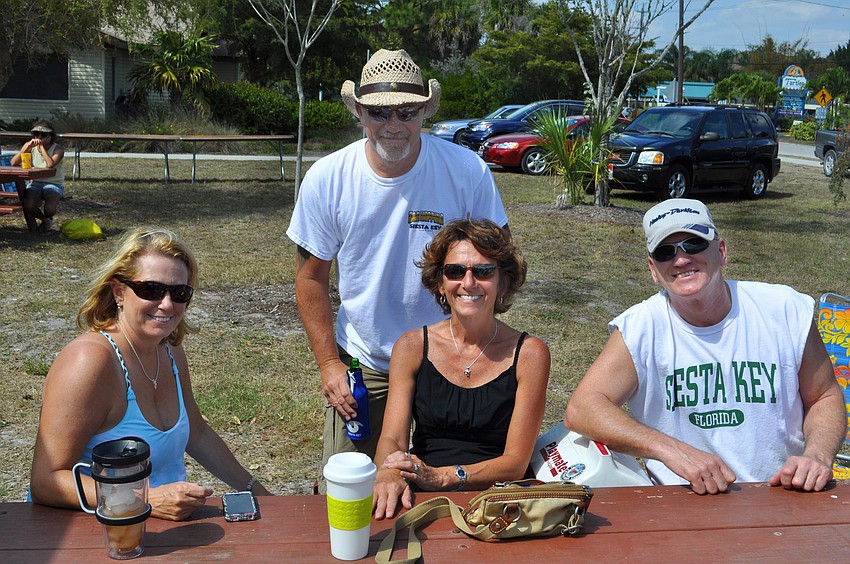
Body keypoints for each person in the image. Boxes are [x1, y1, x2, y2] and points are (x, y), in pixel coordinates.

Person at [286, 49, 508, 492]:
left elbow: (496, 264)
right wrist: (330, 363)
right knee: (352, 490)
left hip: (449, 361)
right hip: (366, 361)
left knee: (453, 491)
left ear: (425, 109)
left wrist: (480, 351)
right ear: (357, 111)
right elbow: (311, 278)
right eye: (378, 112)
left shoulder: (466, 170)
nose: (393, 123)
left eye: (406, 111)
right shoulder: (328, 177)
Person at [564, 199, 846, 495]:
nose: (681, 259)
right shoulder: (641, 328)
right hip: (686, 502)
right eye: (665, 252)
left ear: (721, 251)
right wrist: (670, 450)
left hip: (783, 492)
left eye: (694, 244)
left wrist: (817, 455)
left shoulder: (785, 310)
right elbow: (582, 408)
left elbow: (824, 396)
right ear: (653, 270)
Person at [30, 227, 271, 520]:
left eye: (179, 293)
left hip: (161, 529)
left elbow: (197, 433)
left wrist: (260, 493)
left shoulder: (169, 350)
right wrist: (144, 500)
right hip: (99, 533)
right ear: (119, 292)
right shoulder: (89, 361)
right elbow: (46, 481)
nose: (167, 304)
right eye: (151, 289)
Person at [372, 218, 549, 519]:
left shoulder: (530, 354)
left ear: (502, 281)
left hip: (496, 505)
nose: (468, 283)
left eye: (482, 271)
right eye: (455, 271)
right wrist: (389, 473)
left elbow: (516, 462)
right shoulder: (411, 347)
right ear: (440, 283)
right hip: (420, 497)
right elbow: (392, 439)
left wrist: (444, 476)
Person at [10, 119, 65, 235]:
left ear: (50, 136)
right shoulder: (30, 146)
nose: (39, 137)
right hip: (36, 183)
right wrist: (26, 147)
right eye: (36, 134)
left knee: (49, 209)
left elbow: (50, 164)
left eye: (43, 135)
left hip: (54, 184)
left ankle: (47, 218)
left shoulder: (58, 149)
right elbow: (13, 162)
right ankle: (45, 221)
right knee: (28, 204)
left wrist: (42, 149)